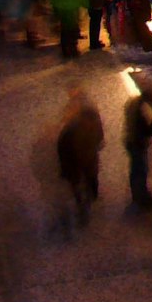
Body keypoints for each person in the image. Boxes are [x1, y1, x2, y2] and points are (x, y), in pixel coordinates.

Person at [55, 89, 105, 227]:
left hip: (84, 165)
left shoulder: (83, 127)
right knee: (81, 187)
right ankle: (83, 208)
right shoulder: (72, 130)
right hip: (78, 166)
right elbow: (63, 148)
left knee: (86, 186)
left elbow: (98, 137)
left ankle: (86, 204)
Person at [124, 81, 152, 207]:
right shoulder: (145, 106)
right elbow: (147, 127)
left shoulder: (138, 101)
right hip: (138, 142)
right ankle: (142, 199)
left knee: (137, 169)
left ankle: (139, 196)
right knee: (140, 169)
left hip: (132, 140)